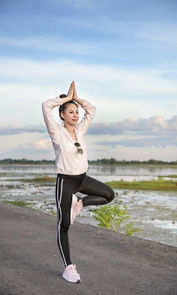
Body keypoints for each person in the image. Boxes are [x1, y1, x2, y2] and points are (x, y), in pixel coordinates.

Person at [42, 81, 115, 283]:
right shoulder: (56, 132)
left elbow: (91, 110)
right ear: (62, 115)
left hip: (82, 179)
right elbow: (46, 105)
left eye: (76, 111)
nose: (75, 114)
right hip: (66, 182)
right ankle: (68, 267)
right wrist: (66, 98)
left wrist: (78, 98)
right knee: (63, 225)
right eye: (71, 111)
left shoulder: (81, 130)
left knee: (109, 195)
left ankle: (80, 203)